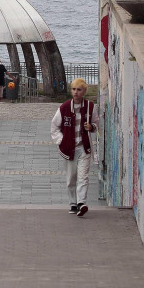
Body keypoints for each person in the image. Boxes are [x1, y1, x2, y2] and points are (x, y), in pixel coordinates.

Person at [50, 78, 99, 217]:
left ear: (84, 92)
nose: (76, 92)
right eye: (74, 89)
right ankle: (73, 202)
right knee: (71, 177)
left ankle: (81, 203)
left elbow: (96, 123)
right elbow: (54, 127)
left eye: (79, 90)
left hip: (84, 147)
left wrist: (92, 127)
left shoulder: (90, 106)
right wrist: (61, 141)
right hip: (69, 148)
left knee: (83, 177)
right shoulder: (64, 108)